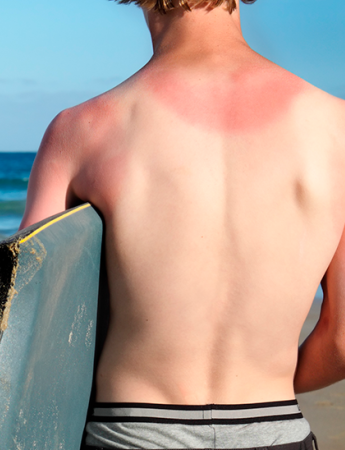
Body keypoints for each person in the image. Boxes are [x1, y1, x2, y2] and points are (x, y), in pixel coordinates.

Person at [18, 0, 345, 448]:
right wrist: (270, 384)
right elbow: (342, 342)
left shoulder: (82, 128)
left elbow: (32, 326)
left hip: (131, 434)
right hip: (276, 428)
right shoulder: (336, 128)